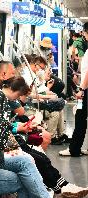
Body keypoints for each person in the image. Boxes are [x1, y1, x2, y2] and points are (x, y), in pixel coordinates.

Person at [0, 61, 88, 198]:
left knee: (39, 156)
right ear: (4, 74)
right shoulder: (0, 95)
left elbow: (5, 121)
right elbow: (19, 110)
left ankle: (61, 187)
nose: (15, 75)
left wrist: (17, 126)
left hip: (10, 132)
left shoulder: (4, 94)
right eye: (13, 73)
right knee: (35, 157)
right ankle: (58, 190)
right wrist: (17, 127)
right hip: (7, 138)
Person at [59, 22, 88, 157]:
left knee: (80, 118)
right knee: (81, 117)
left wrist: (81, 88)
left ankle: (74, 149)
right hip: (85, 89)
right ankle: (76, 148)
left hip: (85, 92)